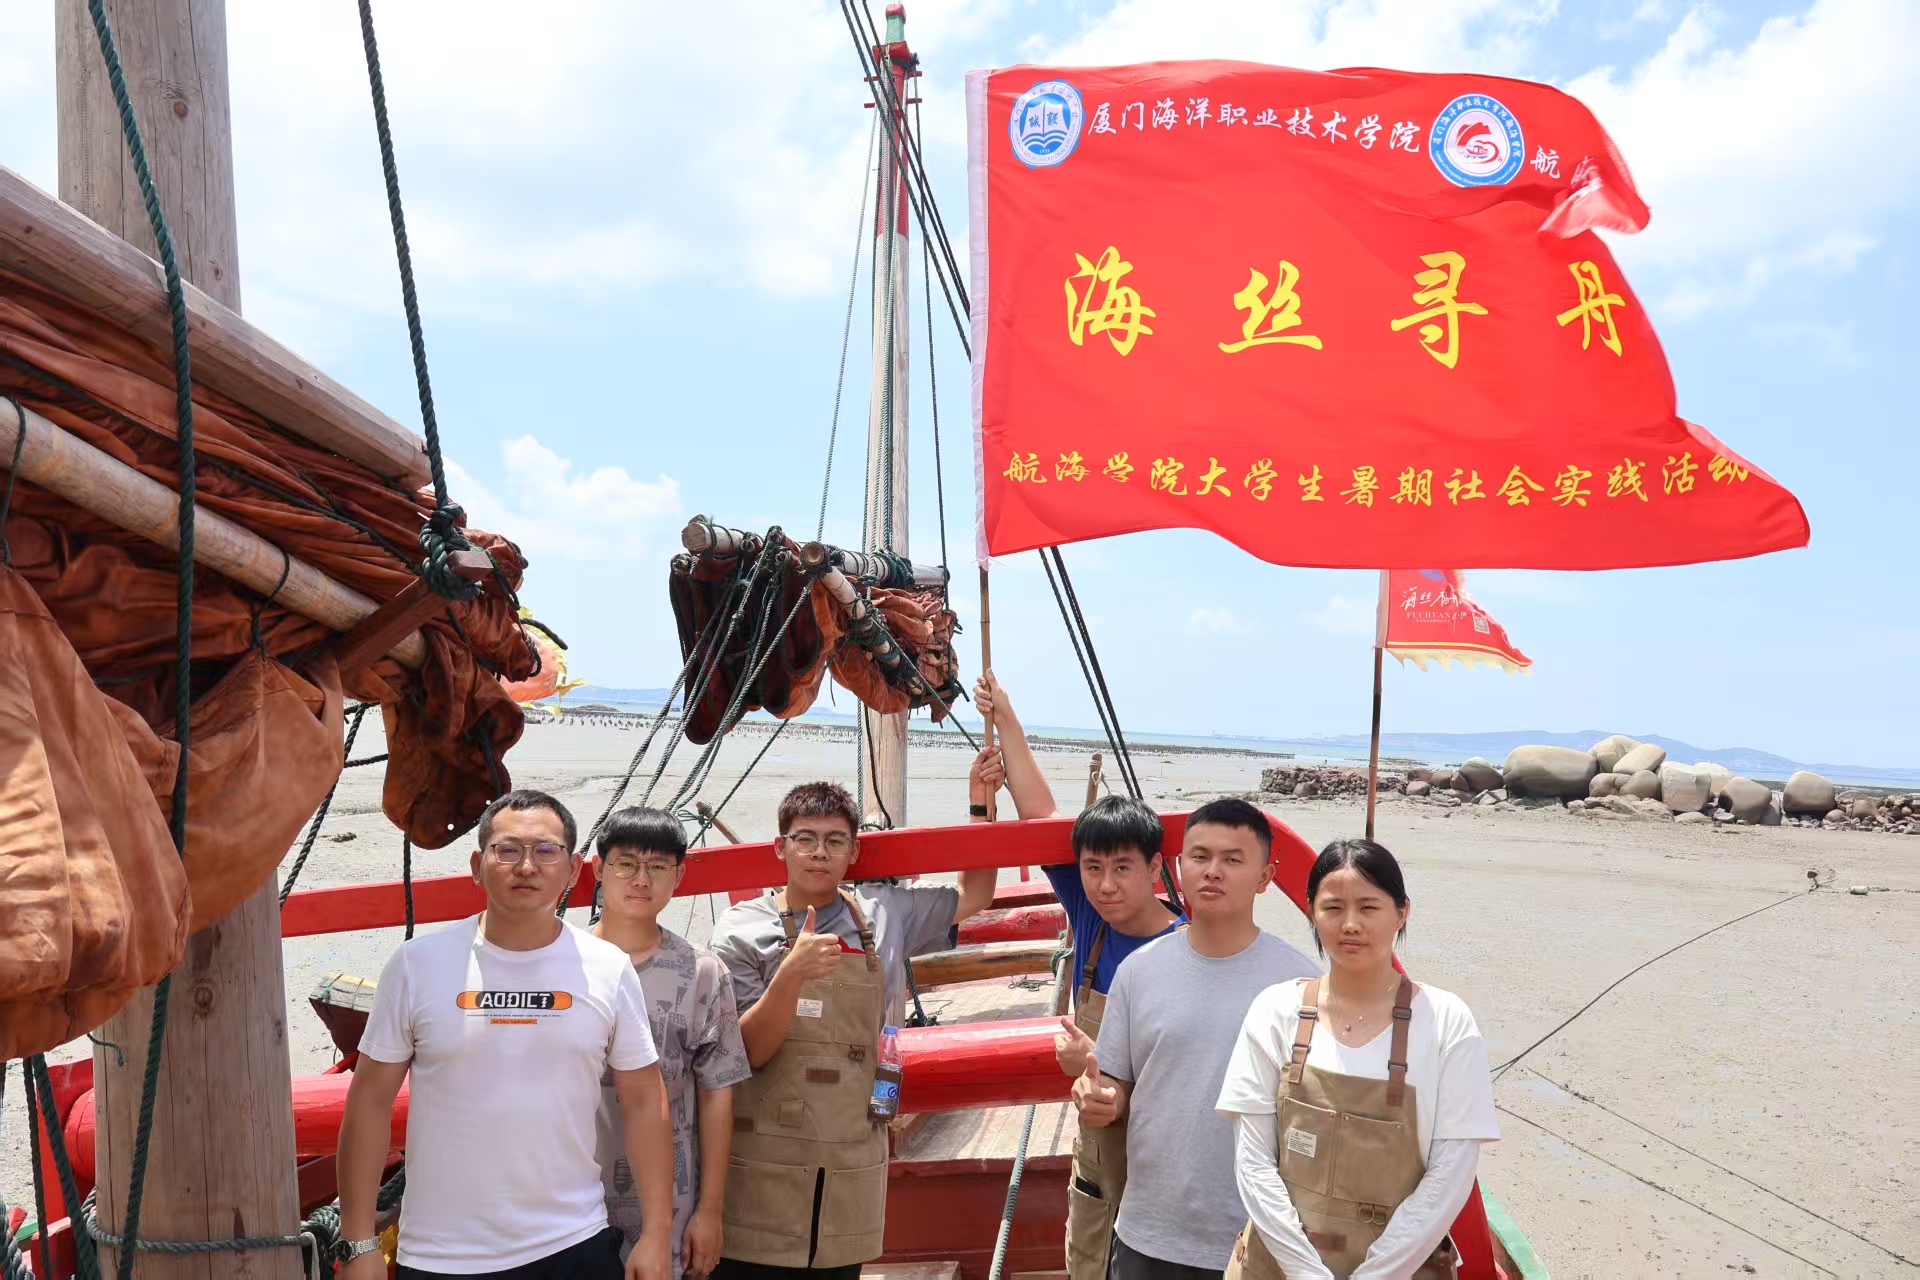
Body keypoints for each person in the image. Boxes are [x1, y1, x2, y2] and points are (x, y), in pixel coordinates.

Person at [335, 790, 674, 1280]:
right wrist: (358, 1241)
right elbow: (369, 1101)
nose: (527, 866)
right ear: (477, 866)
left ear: (573, 870)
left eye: (546, 851)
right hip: (440, 1255)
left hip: (573, 1242)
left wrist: (657, 1234)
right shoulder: (417, 964)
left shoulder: (608, 968)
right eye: (508, 850)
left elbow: (644, 1100)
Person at [708, 781, 999, 1280]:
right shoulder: (741, 928)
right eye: (805, 839)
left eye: (835, 840)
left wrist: (980, 801)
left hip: (850, 1161)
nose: (820, 852)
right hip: (764, 1165)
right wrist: (791, 975)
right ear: (780, 847)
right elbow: (749, 1050)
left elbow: (977, 894)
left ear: (854, 851)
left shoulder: (885, 912)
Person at [970, 672, 1184, 1280]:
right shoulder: (1091, 920)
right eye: (1093, 867)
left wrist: (1097, 1062)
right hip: (1097, 1160)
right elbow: (1040, 814)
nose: (1106, 884)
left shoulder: (1188, 946)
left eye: (1123, 867)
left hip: (1167, 1161)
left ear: (1155, 868)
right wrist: (1006, 717)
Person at [1215, 839, 1498, 1280]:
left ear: (1401, 913)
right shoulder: (1275, 1010)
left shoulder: (1447, 1021)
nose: (1350, 924)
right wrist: (1307, 1272)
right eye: (1333, 907)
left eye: (1368, 907)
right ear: (1311, 912)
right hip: (1277, 1265)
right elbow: (1253, 1162)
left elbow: (1452, 1172)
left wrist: (1375, 1274)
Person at [1071, 798, 1317, 1280]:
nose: (1213, 871)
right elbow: (1116, 1083)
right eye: (1200, 857)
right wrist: (1100, 1098)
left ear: (1265, 877)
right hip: (1146, 1229)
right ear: (1179, 868)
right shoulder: (1138, 972)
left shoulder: (1301, 984)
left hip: (1256, 1237)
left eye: (1233, 859)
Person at [592, 807, 753, 1280]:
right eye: (626, 863)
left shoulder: (701, 972)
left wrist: (710, 1211)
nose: (641, 879)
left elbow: (717, 1093)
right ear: (598, 869)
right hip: (570, 1203)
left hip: (669, 1210)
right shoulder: (563, 964)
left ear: (679, 876)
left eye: (658, 866)